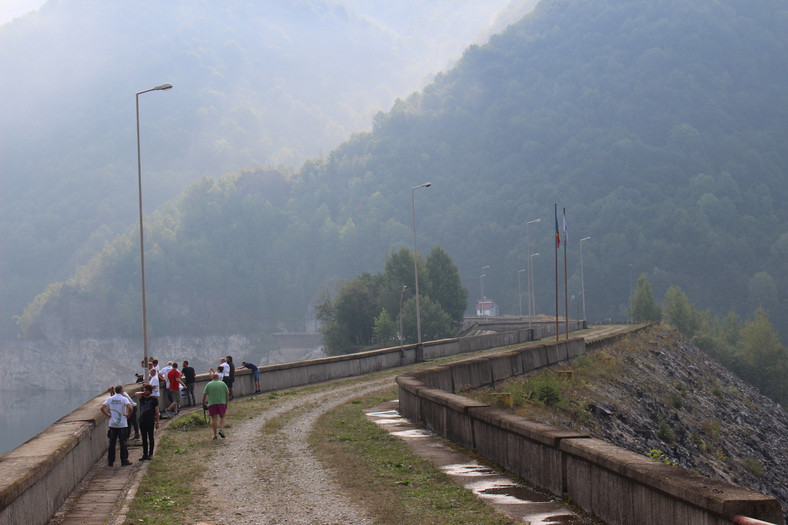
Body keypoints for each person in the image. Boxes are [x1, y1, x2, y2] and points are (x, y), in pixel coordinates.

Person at [101, 385, 133, 466]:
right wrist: (128, 415)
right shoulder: (123, 399)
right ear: (122, 391)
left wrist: (108, 414)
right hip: (122, 424)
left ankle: (111, 461)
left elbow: (102, 408)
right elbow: (131, 408)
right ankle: (124, 460)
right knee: (123, 443)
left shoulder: (110, 399)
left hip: (112, 424)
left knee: (112, 443)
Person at [134, 383, 159, 460]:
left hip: (150, 420)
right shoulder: (142, 398)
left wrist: (157, 422)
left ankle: (150, 453)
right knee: (144, 438)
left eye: (146, 390)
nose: (144, 392)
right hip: (142, 420)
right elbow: (136, 394)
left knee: (150, 437)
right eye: (144, 390)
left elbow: (157, 411)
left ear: (150, 391)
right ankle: (145, 454)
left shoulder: (154, 399)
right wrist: (143, 392)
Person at [202, 372, 229, 440]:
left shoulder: (209, 384)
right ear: (218, 377)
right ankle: (221, 429)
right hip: (222, 402)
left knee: (214, 419)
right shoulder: (223, 384)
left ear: (212, 377)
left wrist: (203, 403)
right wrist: (226, 402)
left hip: (212, 403)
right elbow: (227, 393)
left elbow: (204, 395)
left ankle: (215, 435)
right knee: (222, 417)